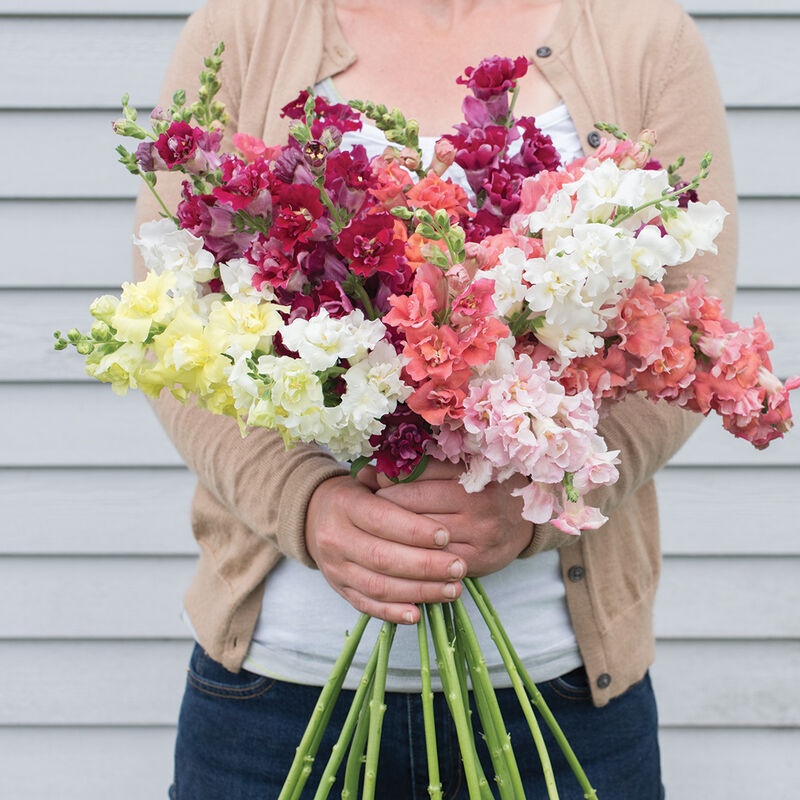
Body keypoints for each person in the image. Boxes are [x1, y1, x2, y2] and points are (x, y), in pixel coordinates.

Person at [133, 1, 738, 797]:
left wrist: (534, 503)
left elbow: (689, 345)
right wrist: (305, 502)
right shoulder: (245, 26)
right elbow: (174, 336)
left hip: (553, 702)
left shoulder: (642, 34)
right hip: (277, 699)